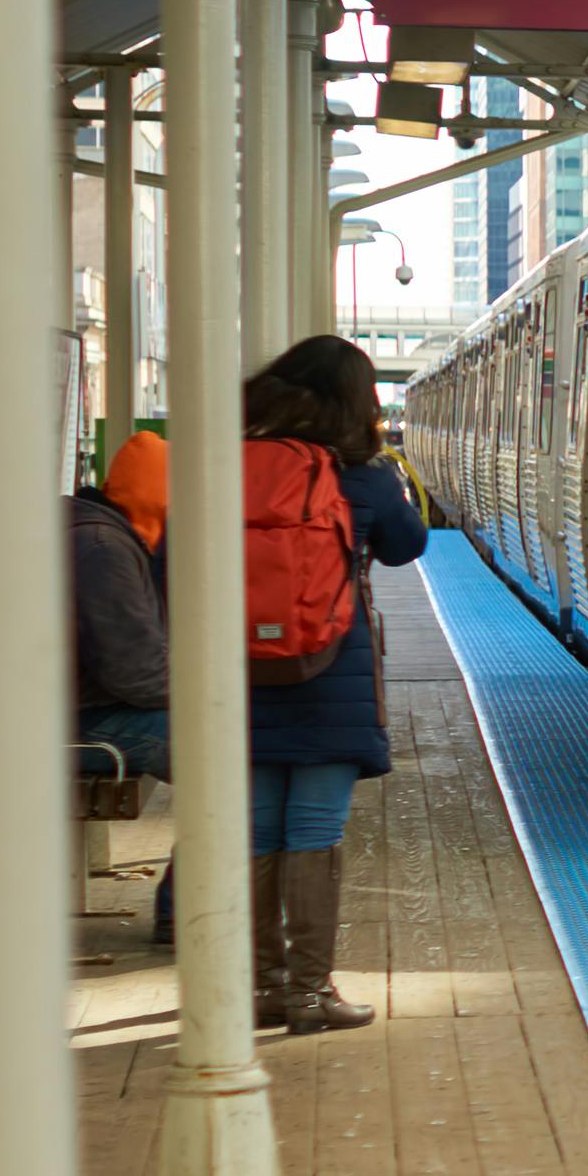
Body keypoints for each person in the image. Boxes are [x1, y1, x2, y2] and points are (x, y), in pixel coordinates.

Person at [243, 334, 431, 1033]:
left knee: (259, 826)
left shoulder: (228, 457)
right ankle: (309, 992)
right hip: (327, 663)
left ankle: (260, 985)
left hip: (240, 667)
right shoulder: (364, 471)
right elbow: (408, 544)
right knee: (314, 826)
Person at [72, 430, 173, 782]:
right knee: (221, 741)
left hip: (67, 712)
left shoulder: (99, 534)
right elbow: (135, 673)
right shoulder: (105, 551)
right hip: (80, 724)